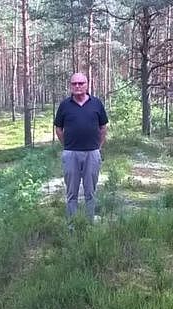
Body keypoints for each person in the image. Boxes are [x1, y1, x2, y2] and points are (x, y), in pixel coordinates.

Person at [54, 73, 108, 221]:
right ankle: (72, 225)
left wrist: (98, 147)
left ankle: (88, 224)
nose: (77, 86)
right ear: (70, 86)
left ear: (87, 84)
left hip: (92, 153)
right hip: (71, 154)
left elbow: (103, 127)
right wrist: (67, 145)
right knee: (72, 193)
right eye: (74, 84)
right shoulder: (64, 105)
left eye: (80, 83)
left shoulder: (96, 103)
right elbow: (58, 129)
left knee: (90, 192)